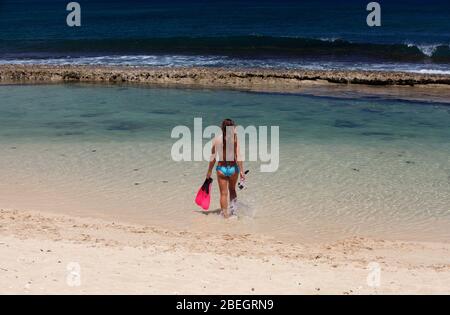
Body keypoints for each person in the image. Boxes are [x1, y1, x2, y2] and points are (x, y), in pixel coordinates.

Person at [206, 118, 245, 218]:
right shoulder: (234, 138)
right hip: (233, 168)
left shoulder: (217, 139)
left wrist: (209, 172)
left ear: (221, 128)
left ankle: (225, 215)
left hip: (221, 168)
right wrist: (241, 171)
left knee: (223, 194)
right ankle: (233, 214)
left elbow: (213, 158)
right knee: (232, 190)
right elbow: (238, 155)